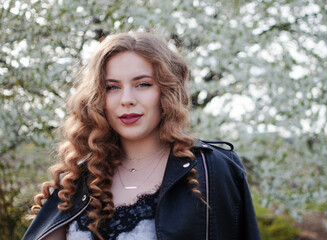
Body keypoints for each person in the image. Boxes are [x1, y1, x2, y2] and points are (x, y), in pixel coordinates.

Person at [22, 32, 260, 240]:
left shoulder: (214, 170)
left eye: (143, 84)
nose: (126, 99)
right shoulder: (76, 181)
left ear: (166, 91)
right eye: (112, 87)